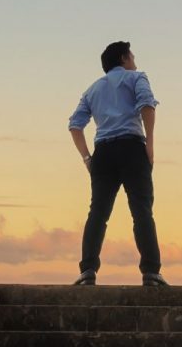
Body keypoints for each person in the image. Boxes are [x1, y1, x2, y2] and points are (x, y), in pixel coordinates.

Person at [67, 41, 168, 286]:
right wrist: (150, 143)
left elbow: (75, 125)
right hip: (132, 148)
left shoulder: (92, 89)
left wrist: (87, 158)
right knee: (141, 211)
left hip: (103, 153)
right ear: (124, 58)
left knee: (98, 213)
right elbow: (147, 105)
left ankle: (87, 270)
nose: (135, 61)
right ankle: (151, 272)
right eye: (132, 56)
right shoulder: (136, 77)